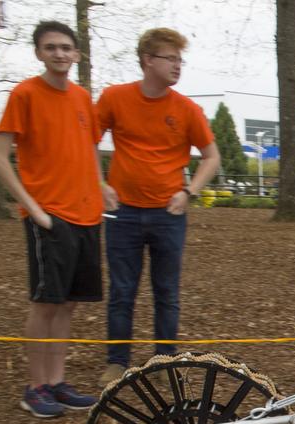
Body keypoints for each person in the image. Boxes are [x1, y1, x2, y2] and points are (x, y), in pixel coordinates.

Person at [0, 20, 104, 417]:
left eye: (66, 47)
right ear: (39, 52)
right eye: (51, 47)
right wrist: (34, 209)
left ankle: (57, 382)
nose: (59, 53)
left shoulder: (82, 98)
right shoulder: (25, 95)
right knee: (45, 303)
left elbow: (87, 150)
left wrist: (101, 188)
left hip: (87, 217)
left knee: (69, 304)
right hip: (50, 217)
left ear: (76, 54)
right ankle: (34, 387)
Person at [98, 27, 220, 385]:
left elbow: (211, 157)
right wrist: (99, 183)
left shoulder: (187, 109)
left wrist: (189, 191)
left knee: (166, 291)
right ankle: (117, 361)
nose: (177, 66)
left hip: (169, 215)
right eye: (170, 58)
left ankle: (164, 359)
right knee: (122, 290)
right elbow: (85, 140)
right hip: (123, 213)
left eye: (180, 60)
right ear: (147, 60)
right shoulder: (113, 98)